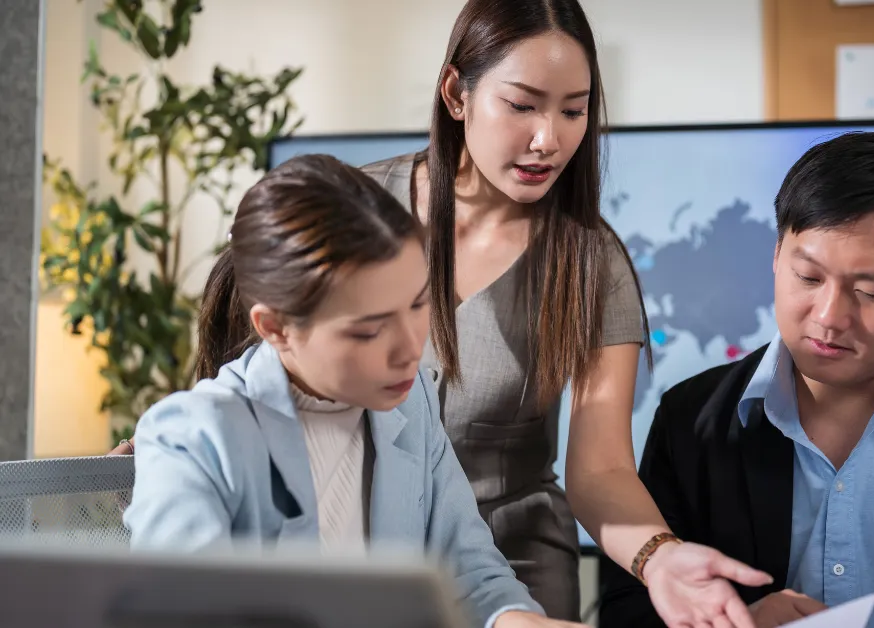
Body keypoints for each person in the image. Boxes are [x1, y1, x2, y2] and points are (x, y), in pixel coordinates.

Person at [356, 0, 773, 624]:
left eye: (573, 110)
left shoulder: (591, 262)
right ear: (456, 92)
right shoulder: (351, 209)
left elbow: (600, 468)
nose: (549, 139)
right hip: (356, 562)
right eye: (522, 105)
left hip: (514, 573)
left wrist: (659, 557)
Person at [121, 154, 581, 628]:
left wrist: (517, 619)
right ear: (276, 327)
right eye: (368, 331)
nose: (410, 349)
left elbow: (468, 572)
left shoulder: (412, 402)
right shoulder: (194, 436)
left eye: (419, 304)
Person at [597, 132, 874, 628]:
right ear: (776, 257)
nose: (830, 316)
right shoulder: (691, 421)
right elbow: (625, 611)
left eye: (869, 292)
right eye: (809, 279)